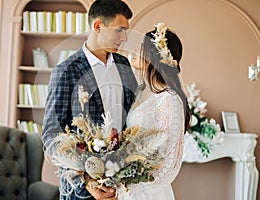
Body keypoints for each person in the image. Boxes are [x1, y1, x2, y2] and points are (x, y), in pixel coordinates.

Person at [42, 0, 138, 199]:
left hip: (122, 188)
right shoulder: (66, 71)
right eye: (119, 30)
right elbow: (52, 134)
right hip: (81, 193)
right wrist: (85, 180)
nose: (125, 37)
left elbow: (131, 119)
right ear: (98, 26)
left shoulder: (124, 64)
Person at [119, 23, 190, 200]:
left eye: (142, 46)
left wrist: (138, 185)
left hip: (149, 193)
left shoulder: (170, 99)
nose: (136, 49)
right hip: (126, 188)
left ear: (155, 57)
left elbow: (170, 160)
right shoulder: (139, 92)